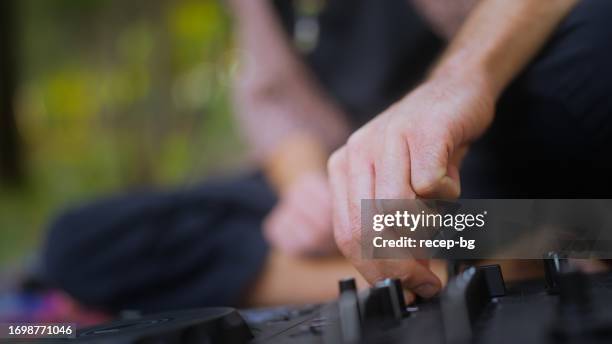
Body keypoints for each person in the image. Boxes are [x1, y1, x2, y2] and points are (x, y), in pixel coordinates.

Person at [43, 0, 612, 313]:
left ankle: (502, 248)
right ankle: (484, 262)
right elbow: (274, 102)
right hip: (366, 203)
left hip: (472, 160)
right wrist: (304, 188)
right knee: (84, 238)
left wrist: (455, 86)